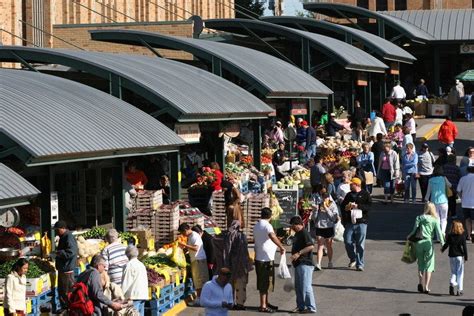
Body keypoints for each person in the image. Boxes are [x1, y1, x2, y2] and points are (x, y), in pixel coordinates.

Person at [408, 202, 445, 294]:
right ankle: (426, 286)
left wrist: (409, 236)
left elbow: (414, 230)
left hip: (419, 242)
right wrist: (442, 244)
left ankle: (420, 282)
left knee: (420, 263)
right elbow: (439, 233)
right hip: (428, 242)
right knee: (429, 264)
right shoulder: (434, 219)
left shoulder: (419, 218)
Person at [253, 207, 285, 313]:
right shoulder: (267, 225)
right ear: (270, 216)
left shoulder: (257, 225)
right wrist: (281, 246)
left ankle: (266, 302)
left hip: (260, 257)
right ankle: (263, 305)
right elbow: (272, 236)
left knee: (264, 282)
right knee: (265, 282)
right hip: (265, 258)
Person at [340, 178, 371, 271]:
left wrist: (358, 206)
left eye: (351, 184)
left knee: (360, 244)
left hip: (362, 222)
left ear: (357, 185)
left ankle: (360, 264)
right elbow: (343, 207)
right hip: (350, 222)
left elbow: (369, 207)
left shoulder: (365, 194)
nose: (350, 186)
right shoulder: (349, 195)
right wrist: (346, 209)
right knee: (347, 241)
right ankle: (352, 257)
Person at [289, 216, 316, 314]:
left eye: (293, 226)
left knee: (306, 286)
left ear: (298, 224)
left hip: (305, 263)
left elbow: (311, 246)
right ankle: (300, 306)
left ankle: (311, 307)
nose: (292, 227)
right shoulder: (297, 233)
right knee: (299, 287)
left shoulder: (304, 233)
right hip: (298, 263)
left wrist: (298, 253)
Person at [222, 220, 252, 310]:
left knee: (229, 283)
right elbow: (245, 251)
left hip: (230, 263)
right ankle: (240, 304)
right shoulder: (241, 235)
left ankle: (230, 302)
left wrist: (226, 263)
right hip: (241, 264)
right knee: (240, 284)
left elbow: (226, 251)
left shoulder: (227, 235)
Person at [178, 223, 207, 303]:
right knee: (198, 280)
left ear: (185, 230)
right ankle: (200, 298)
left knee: (199, 280)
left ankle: (200, 298)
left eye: (182, 233)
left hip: (198, 260)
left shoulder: (194, 235)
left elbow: (196, 248)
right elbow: (192, 247)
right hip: (196, 260)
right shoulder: (190, 236)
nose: (183, 235)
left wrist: (184, 245)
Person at [54, 220, 78, 310]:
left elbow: (71, 252)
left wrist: (58, 253)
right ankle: (66, 309)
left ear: (63, 228)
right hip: (64, 269)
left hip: (67, 269)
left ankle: (69, 310)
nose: (56, 231)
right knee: (63, 291)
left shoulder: (68, 237)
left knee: (66, 292)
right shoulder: (64, 236)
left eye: (57, 229)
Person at [312, 192, 340, 271]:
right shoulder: (319, 204)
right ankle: (318, 264)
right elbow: (314, 218)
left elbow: (333, 218)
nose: (325, 199)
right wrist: (315, 210)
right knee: (320, 245)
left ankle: (330, 261)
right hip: (320, 227)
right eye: (323, 198)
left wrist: (326, 208)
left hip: (329, 227)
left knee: (328, 245)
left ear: (329, 198)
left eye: (326, 198)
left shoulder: (332, 205)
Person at [441, 220, 468, 296]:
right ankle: (459, 289)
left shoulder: (450, 235)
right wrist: (466, 257)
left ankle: (452, 282)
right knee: (460, 273)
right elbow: (465, 247)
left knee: (453, 272)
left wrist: (442, 249)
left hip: (451, 256)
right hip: (459, 256)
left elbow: (446, 244)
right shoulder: (462, 235)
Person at [425, 166, 451, 235]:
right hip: (444, 201)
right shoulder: (444, 178)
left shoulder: (431, 180)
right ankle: (443, 233)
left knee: (436, 219)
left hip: (434, 202)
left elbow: (428, 192)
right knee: (444, 218)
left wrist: (426, 200)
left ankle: (438, 235)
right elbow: (450, 185)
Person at [121, 245, 148, 310]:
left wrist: (120, 296)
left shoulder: (129, 265)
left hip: (134, 296)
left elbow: (126, 283)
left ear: (127, 255)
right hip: (143, 294)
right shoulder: (141, 264)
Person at [457, 161, 474, 241]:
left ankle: (468, 235)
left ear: (467, 169)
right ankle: (473, 232)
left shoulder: (463, 179)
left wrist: (462, 197)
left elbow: (458, 190)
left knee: (467, 219)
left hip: (465, 203)